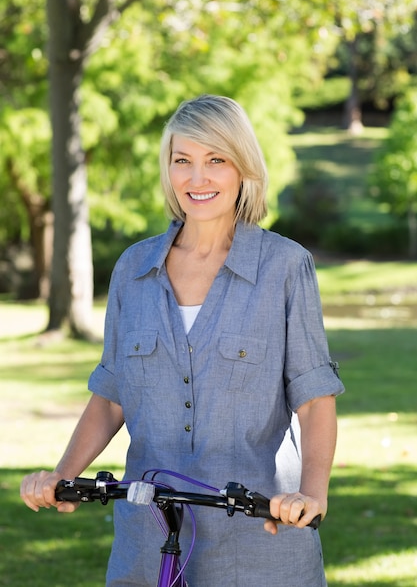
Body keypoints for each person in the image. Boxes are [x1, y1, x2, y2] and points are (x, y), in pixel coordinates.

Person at [21, 94, 344, 586]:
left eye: (216, 160)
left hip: (261, 536)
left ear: (243, 167)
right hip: (148, 540)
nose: (198, 179)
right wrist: (61, 477)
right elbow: (111, 397)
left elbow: (314, 397)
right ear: (168, 169)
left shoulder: (285, 266)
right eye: (183, 161)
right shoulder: (134, 269)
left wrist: (311, 494)